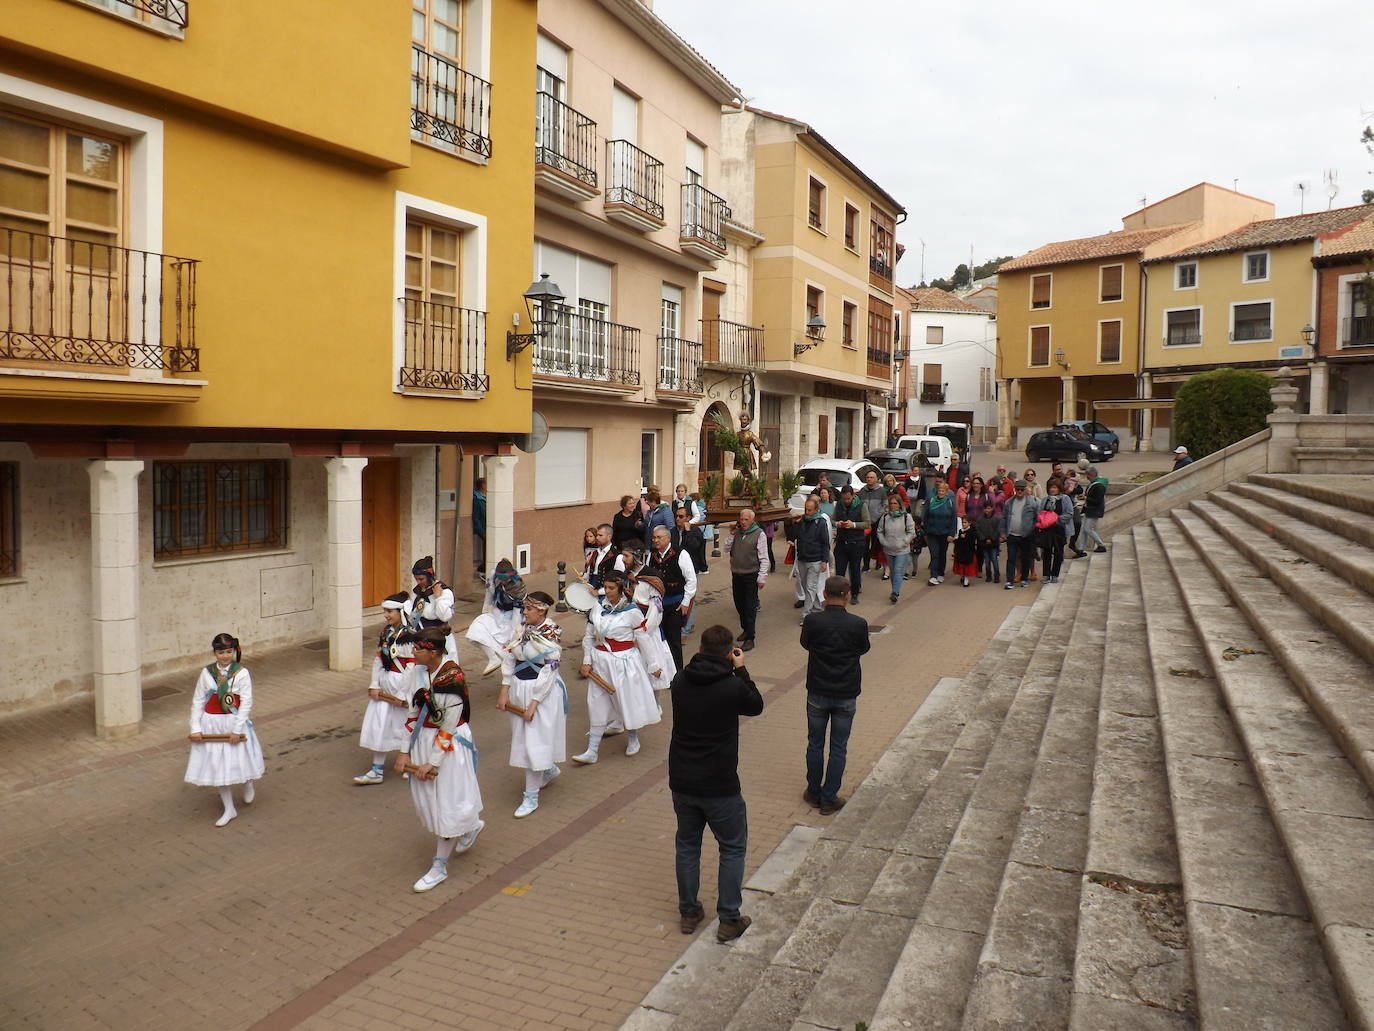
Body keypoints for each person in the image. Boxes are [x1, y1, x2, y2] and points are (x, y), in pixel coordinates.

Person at [670, 625, 764, 942]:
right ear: (728, 652)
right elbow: (756, 705)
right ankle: (729, 917)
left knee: (687, 846)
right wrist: (742, 670)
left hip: (682, 780)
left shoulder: (680, 680)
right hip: (720, 783)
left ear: (700, 648)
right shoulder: (731, 686)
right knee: (733, 847)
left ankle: (688, 910)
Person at [396, 626, 484, 892]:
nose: (413, 652)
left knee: (445, 804)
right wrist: (403, 751)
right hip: (424, 740)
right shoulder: (419, 672)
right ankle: (470, 825)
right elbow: (412, 714)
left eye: (418, 649)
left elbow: (447, 727)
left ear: (432, 652)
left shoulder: (452, 679)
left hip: (449, 746)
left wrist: (431, 763)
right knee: (430, 802)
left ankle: (439, 866)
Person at [575, 570, 662, 764]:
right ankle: (592, 750)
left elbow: (643, 639)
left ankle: (633, 739)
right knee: (596, 702)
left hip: (624, 662)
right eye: (605, 587)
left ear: (621, 588)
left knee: (626, 701)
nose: (606, 591)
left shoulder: (632, 611)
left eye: (611, 588)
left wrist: (653, 665)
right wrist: (587, 660)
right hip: (601, 661)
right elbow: (589, 636)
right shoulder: (597, 607)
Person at [800, 577, 870, 814]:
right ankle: (830, 797)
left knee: (815, 743)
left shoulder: (812, 621)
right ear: (847, 595)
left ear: (824, 595)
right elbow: (863, 648)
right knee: (839, 747)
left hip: (818, 690)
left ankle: (813, 791)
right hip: (846, 691)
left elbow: (806, 644)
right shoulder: (858, 624)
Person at [496, 592, 568, 819]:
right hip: (519, 688)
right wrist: (504, 690)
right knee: (524, 737)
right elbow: (509, 657)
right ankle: (548, 769)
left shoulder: (552, 634)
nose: (524, 612)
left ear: (542, 611)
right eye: (524, 608)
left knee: (533, 742)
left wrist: (534, 703)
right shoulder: (522, 630)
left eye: (528, 609)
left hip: (542, 693)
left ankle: (531, 797)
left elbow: (549, 671)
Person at [185, 632, 265, 827]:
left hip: (233, 721)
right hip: (212, 724)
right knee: (218, 765)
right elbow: (198, 700)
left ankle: (247, 781)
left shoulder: (242, 673)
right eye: (221, 652)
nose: (225, 656)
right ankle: (229, 808)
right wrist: (195, 727)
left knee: (241, 759)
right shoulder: (207, 673)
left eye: (229, 651)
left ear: (234, 652)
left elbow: (246, 702)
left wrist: (237, 730)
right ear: (215, 653)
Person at [354, 592, 413, 785]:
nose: (386, 615)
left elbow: (412, 667)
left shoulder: (410, 635)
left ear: (401, 611)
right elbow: (379, 659)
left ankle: (410, 764)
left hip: (403, 687)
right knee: (379, 725)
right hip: (385, 686)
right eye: (385, 611)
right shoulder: (386, 632)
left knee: (408, 726)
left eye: (389, 611)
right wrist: (374, 684)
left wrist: (403, 694)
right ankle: (376, 770)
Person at [644, 525, 698, 672]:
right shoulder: (652, 555)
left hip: (675, 603)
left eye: (658, 537)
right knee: (658, 638)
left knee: (674, 639)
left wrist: (686, 602)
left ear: (668, 538)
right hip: (657, 604)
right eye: (654, 537)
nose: (655, 540)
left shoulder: (681, 554)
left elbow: (691, 580)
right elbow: (648, 578)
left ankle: (678, 673)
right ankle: (664, 670)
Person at [465, 559, 527, 676]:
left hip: (513, 618)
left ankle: (512, 680)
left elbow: (518, 610)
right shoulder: (493, 578)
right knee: (476, 628)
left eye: (506, 579)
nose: (503, 581)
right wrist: (485, 612)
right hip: (496, 613)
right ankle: (493, 658)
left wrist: (516, 630)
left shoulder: (518, 586)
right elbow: (489, 596)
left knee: (512, 649)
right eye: (501, 579)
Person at [722, 508, 768, 651]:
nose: (743, 522)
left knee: (749, 606)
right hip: (736, 573)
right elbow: (725, 548)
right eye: (741, 519)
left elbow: (764, 557)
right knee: (739, 602)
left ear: (752, 520)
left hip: (751, 574)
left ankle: (750, 638)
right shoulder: (737, 533)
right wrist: (731, 535)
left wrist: (762, 577)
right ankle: (746, 629)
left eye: (746, 519)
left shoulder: (759, 534)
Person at [408, 556, 459, 665]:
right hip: (421, 641)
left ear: (429, 576)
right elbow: (413, 617)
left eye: (421, 579)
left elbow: (444, 616)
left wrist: (438, 597)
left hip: (439, 641)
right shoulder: (418, 592)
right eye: (416, 579)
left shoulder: (445, 592)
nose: (418, 582)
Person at [790, 495, 832, 619]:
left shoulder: (821, 522)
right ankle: (817, 608)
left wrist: (824, 561)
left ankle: (806, 615)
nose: (807, 512)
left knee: (810, 587)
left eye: (809, 510)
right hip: (802, 558)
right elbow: (793, 536)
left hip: (815, 560)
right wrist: (795, 524)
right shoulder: (801, 521)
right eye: (805, 509)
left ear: (815, 510)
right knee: (805, 586)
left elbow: (825, 543)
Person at [1000, 479, 1043, 588]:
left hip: (1026, 536)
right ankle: (1010, 580)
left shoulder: (1032, 502)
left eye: (1021, 489)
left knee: (1025, 557)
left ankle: (1024, 579)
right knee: (1011, 558)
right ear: (1015, 489)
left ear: (1025, 490)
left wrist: (1032, 529)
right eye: (1017, 489)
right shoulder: (1009, 502)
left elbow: (1037, 517)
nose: (1019, 491)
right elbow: (1004, 518)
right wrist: (1003, 532)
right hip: (1012, 535)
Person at [831, 485, 870, 601]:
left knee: (855, 569)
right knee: (840, 570)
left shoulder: (861, 505)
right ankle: (839, 593)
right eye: (844, 499)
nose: (846, 501)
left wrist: (853, 525)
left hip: (856, 542)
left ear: (853, 496)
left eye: (848, 499)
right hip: (841, 542)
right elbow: (832, 520)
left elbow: (867, 523)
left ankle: (854, 593)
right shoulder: (839, 504)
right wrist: (838, 524)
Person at [875, 494, 916, 603]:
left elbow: (911, 532)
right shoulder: (885, 517)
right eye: (891, 503)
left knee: (898, 570)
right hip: (888, 549)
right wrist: (883, 541)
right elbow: (879, 531)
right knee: (893, 571)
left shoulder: (907, 517)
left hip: (902, 549)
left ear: (899, 504)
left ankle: (895, 592)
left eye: (895, 503)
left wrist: (904, 542)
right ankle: (894, 589)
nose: (893, 505)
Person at [670, 508, 705, 634]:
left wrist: (688, 532)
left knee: (689, 597)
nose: (677, 519)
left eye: (680, 516)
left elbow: (693, 547)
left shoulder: (695, 531)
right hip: (676, 570)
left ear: (688, 518)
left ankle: (686, 628)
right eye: (676, 516)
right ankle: (681, 623)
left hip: (692, 569)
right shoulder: (673, 531)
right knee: (679, 597)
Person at [1038, 479, 1074, 583]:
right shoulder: (1046, 500)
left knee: (1058, 552)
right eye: (1050, 487)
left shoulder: (1065, 499)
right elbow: (1041, 512)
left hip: (1059, 529)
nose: (1052, 489)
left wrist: (1056, 519)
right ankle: (1046, 575)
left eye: (1054, 487)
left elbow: (1069, 513)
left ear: (1059, 488)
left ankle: (1055, 575)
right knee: (1047, 552)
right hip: (1047, 530)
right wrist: (1045, 519)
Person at [922, 478, 957, 585]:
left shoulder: (950, 503)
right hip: (932, 533)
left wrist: (951, 534)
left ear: (947, 493)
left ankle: (940, 573)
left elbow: (953, 519)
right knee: (934, 554)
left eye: (943, 491)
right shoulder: (931, 501)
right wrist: (925, 531)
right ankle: (933, 575)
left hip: (945, 533)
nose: (941, 492)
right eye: (939, 490)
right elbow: (925, 516)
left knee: (942, 554)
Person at [1072, 465, 1109, 556]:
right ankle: (1081, 549)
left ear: (1092, 475)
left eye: (1088, 475)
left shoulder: (1099, 485)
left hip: (1094, 510)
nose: (1087, 478)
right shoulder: (1095, 483)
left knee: (1088, 529)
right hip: (1090, 510)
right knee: (1084, 530)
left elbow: (1097, 500)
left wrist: (1086, 498)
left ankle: (1101, 545)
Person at [856, 470, 888, 573]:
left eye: (871, 477)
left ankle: (878, 562)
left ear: (876, 479)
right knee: (865, 544)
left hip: (877, 521)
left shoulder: (881, 491)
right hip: (865, 522)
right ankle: (866, 565)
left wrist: (878, 514)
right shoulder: (862, 491)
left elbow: (885, 505)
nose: (869, 479)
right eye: (868, 477)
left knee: (877, 543)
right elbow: (858, 504)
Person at [584, 523, 621, 592]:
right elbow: (589, 573)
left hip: (607, 593)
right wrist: (583, 578)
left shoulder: (617, 556)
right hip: (591, 587)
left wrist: (599, 592)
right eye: (597, 535)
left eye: (600, 535)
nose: (597, 538)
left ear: (609, 537)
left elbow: (619, 581)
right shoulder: (594, 553)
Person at [975, 500, 1001, 583]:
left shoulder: (996, 519)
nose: (987, 510)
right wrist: (983, 538)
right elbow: (978, 530)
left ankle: (997, 575)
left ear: (992, 509)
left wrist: (992, 539)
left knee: (994, 559)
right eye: (985, 508)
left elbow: (998, 530)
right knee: (987, 560)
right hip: (984, 543)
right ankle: (988, 575)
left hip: (994, 543)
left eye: (989, 508)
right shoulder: (980, 519)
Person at [951, 517, 980, 587]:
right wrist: (955, 541)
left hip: (969, 552)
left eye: (965, 522)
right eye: (963, 523)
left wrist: (964, 538)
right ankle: (963, 576)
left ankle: (966, 580)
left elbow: (971, 543)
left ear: (969, 523)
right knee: (961, 565)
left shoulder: (972, 532)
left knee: (967, 566)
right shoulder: (961, 531)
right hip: (961, 552)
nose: (963, 524)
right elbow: (959, 542)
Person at [471, 477, 487, 579]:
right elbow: (476, 517)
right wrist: (482, 532)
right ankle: (482, 570)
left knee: (487, 549)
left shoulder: (487, 496)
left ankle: (484, 569)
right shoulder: (477, 498)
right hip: (482, 529)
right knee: (486, 550)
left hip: (489, 528)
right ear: (482, 485)